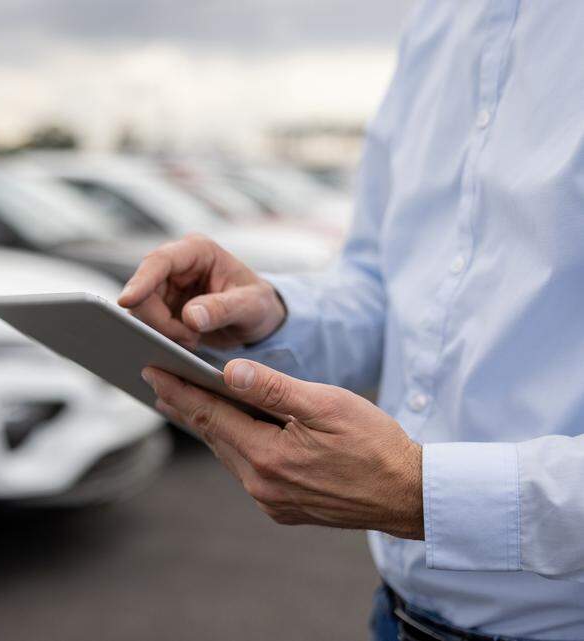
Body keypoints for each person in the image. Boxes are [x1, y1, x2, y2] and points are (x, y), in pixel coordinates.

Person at [118, 3, 584, 640]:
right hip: (396, 615)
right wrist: (272, 315)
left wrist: (419, 492)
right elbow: (383, 284)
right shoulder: (439, 21)